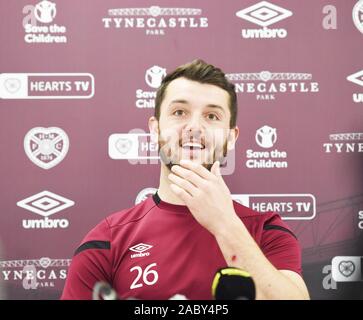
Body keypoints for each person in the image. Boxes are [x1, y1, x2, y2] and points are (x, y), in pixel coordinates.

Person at [61, 59, 310, 300]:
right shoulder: (108, 240)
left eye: (212, 116)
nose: (194, 127)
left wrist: (225, 224)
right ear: (155, 129)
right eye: (179, 112)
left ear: (231, 137)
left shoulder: (267, 232)